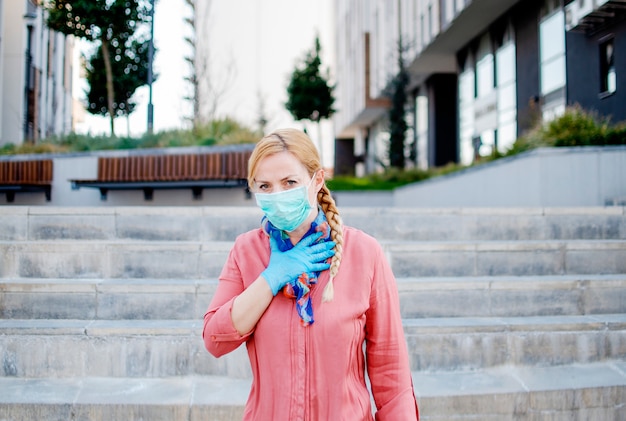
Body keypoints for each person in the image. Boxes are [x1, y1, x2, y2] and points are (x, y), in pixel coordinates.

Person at [203, 128, 419, 420]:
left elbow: (391, 370)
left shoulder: (364, 253)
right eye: (264, 186)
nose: (277, 195)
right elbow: (216, 340)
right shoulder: (246, 251)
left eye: (289, 182)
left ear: (317, 180)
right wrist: (271, 278)